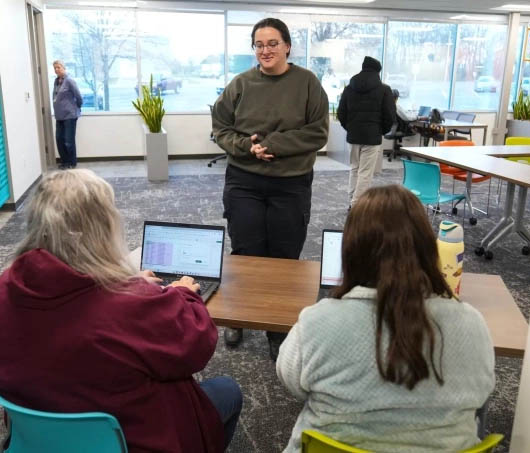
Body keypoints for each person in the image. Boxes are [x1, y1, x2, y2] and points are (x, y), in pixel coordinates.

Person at [0, 169, 242, 453]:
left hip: (39, 435)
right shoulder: (129, 306)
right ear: (102, 228)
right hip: (130, 439)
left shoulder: (2, 290)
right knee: (227, 390)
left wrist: (125, 283)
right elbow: (197, 346)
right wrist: (183, 293)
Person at [276, 185, 495, 453]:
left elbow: (291, 381)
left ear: (351, 251)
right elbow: (483, 392)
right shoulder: (472, 324)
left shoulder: (316, 323)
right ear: (428, 249)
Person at [212, 18, 329, 358]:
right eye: (259, 45)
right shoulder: (240, 84)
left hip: (291, 183)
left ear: (287, 46)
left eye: (273, 43)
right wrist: (247, 147)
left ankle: (277, 327)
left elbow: (318, 132)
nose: (266, 50)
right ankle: (238, 315)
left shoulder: (307, 83)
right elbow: (220, 128)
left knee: (284, 256)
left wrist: (272, 144)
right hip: (244, 180)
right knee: (246, 252)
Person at [337, 56, 395, 208]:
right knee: (365, 172)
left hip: (353, 136)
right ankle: (357, 205)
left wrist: (350, 128)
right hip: (372, 137)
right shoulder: (384, 90)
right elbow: (390, 115)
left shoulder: (349, 88)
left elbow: (341, 113)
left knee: (354, 168)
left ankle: (352, 199)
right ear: (377, 72)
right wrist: (380, 131)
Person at [52, 60, 82, 169]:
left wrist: (77, 107)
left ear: (64, 68)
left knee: (68, 140)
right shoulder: (56, 81)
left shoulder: (69, 80)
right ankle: (64, 162)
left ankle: (72, 163)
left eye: (58, 67)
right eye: (55, 68)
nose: (56, 69)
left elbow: (78, 96)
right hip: (59, 116)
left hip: (69, 115)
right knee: (59, 139)